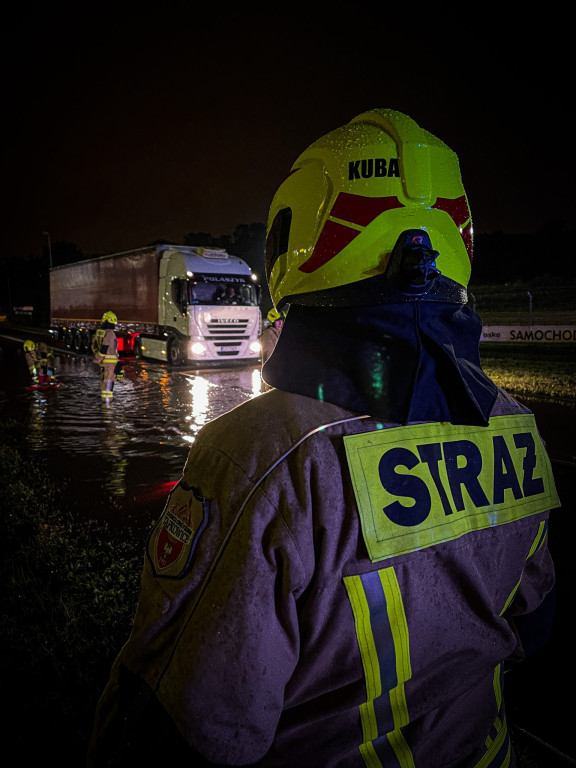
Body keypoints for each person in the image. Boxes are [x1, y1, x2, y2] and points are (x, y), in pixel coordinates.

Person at [88, 109, 559, 767]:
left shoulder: (261, 457)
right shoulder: (516, 429)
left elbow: (174, 733)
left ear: (303, 236)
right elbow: (532, 628)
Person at [93, 310, 121, 401]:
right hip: (110, 364)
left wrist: (98, 358)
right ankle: (107, 405)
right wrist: (100, 356)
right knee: (109, 382)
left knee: (104, 382)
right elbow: (105, 347)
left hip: (105, 363)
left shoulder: (100, 332)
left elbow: (95, 346)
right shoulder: (110, 333)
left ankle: (105, 402)